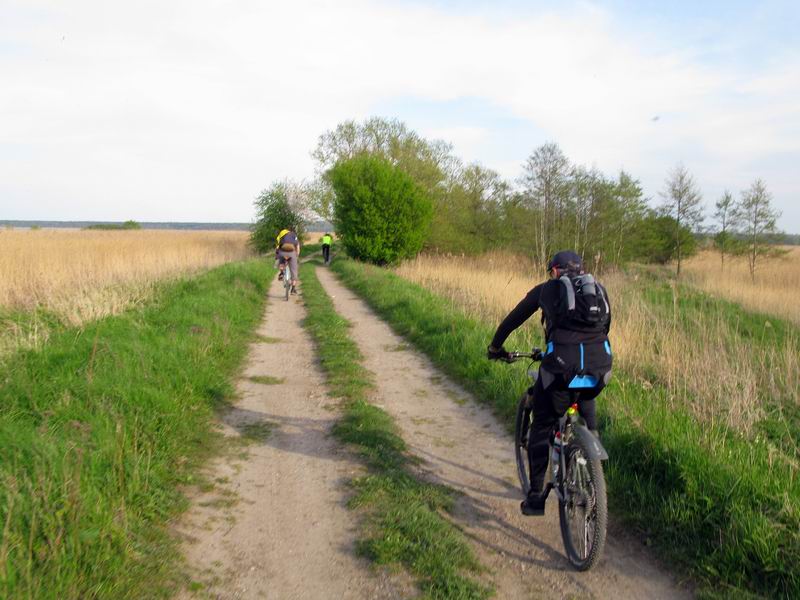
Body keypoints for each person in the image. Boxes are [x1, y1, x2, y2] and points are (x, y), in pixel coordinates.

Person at [487, 250, 612, 516]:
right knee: (585, 398)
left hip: (560, 370)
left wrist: (496, 347)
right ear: (580, 269)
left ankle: (535, 498)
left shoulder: (546, 290)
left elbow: (513, 319)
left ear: (554, 271)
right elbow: (604, 329)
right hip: (598, 368)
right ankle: (591, 460)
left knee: (542, 426)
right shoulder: (597, 291)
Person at [276, 226, 301, 294]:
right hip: (291, 253)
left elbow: (278, 246)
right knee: (294, 270)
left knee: (281, 262)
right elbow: (297, 246)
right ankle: (293, 289)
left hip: (282, 252)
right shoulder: (294, 235)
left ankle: (281, 272)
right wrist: (297, 255)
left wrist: (277, 254)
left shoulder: (282, 235)